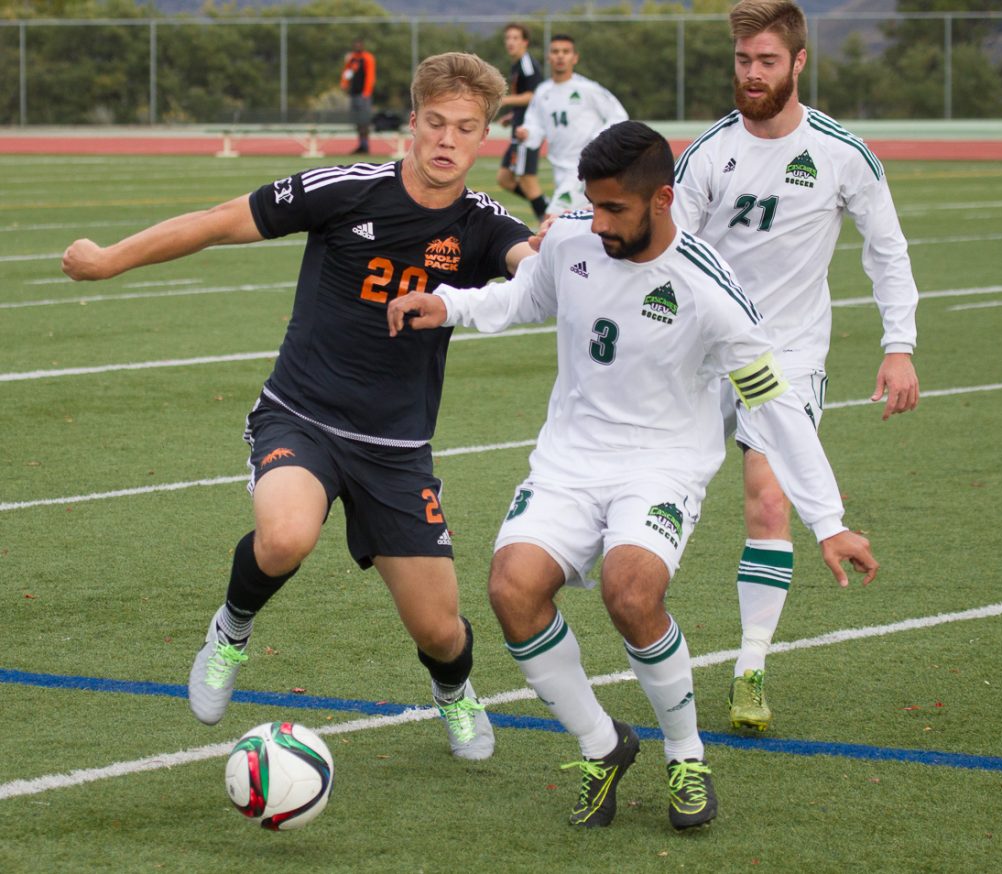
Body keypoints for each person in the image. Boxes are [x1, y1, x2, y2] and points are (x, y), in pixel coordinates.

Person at [387, 121, 878, 830]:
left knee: (631, 591)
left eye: (616, 208)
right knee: (511, 590)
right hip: (570, 459)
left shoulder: (709, 288)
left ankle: (685, 755)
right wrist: (449, 303)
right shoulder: (573, 238)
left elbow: (775, 404)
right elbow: (523, 297)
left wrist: (827, 521)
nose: (601, 221)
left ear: (663, 200)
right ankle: (602, 743)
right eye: (595, 204)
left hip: (663, 466)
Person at [61, 52, 537, 762]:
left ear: (483, 139)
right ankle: (230, 630)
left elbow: (529, 266)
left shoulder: (484, 223)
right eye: (434, 122)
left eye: (464, 129)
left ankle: (453, 692)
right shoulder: (345, 189)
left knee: (440, 632)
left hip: (397, 449)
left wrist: (554, 251)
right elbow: (221, 221)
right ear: (410, 122)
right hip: (301, 416)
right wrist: (107, 260)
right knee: (285, 536)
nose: (446, 141)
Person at [672, 0, 919, 733]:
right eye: (744, 60)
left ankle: (749, 668)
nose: (752, 74)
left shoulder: (842, 152)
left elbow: (888, 249)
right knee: (661, 494)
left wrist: (898, 343)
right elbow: (669, 254)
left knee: (767, 500)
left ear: (799, 62)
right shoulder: (708, 154)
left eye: (767, 61)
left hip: (789, 356)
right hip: (699, 355)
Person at [515, 33, 628, 216]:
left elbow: (619, 116)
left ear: (575, 58)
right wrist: (526, 133)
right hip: (559, 167)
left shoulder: (588, 89)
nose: (560, 56)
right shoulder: (543, 92)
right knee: (581, 222)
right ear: (549, 57)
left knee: (551, 220)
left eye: (566, 52)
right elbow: (535, 124)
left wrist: (597, 141)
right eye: (555, 51)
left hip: (583, 167)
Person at [495, 23, 548, 221]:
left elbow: (534, 95)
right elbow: (526, 100)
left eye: (515, 38)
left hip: (527, 132)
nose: (510, 42)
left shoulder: (527, 64)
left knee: (526, 179)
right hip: (518, 127)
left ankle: (549, 218)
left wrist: (503, 101)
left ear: (525, 42)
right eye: (508, 38)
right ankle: (547, 205)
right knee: (505, 179)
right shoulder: (517, 64)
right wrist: (513, 114)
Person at [341, 39, 376, 154]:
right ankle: (361, 144)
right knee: (357, 120)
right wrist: (344, 84)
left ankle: (365, 145)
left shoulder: (367, 58)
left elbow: (370, 76)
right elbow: (347, 72)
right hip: (354, 94)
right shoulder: (351, 58)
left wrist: (367, 92)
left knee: (364, 119)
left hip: (363, 95)